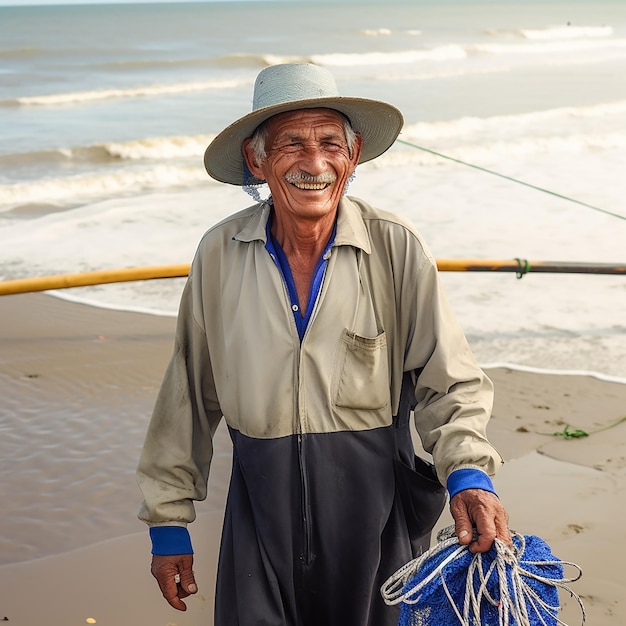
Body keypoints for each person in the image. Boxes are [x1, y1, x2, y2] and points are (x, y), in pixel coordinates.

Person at [137, 63, 510, 626]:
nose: (314, 164)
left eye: (329, 143)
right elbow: (188, 391)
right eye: (291, 144)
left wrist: (468, 475)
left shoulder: (395, 247)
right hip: (260, 517)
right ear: (257, 161)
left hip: (376, 518)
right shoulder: (219, 254)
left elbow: (448, 379)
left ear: (353, 155)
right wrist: (168, 523)